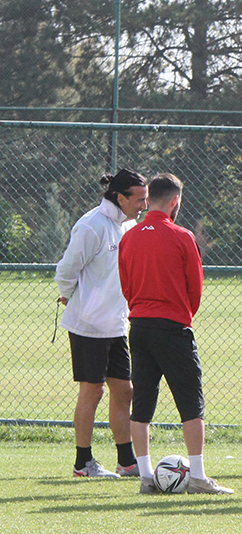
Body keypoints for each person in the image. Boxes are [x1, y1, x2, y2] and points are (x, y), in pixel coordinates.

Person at [118, 173, 232, 495]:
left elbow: (126, 285)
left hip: (138, 327)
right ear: (175, 201)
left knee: (141, 405)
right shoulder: (182, 237)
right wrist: (181, 314)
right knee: (191, 404)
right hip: (173, 327)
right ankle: (197, 477)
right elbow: (195, 289)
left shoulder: (130, 236)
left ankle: (144, 477)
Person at [56, 169, 146, 479]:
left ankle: (127, 461)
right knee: (92, 391)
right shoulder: (91, 225)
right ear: (120, 198)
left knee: (124, 391)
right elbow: (66, 270)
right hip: (88, 326)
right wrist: (70, 297)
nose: (143, 206)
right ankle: (84, 463)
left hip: (117, 325)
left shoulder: (129, 225)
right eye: (139, 200)